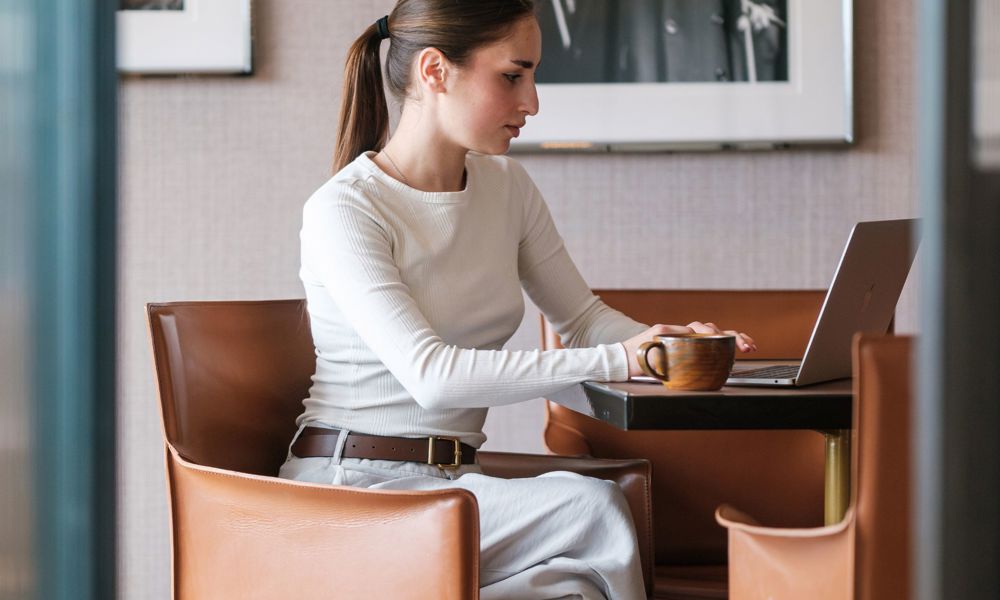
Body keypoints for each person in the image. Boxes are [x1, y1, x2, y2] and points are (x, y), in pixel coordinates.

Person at [278, 1, 756, 598]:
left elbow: (582, 320)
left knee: (575, 586)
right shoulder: (345, 209)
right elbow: (434, 378)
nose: (532, 101)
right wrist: (624, 360)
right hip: (354, 493)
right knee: (594, 509)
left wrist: (667, 344)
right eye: (512, 75)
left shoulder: (507, 189)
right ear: (434, 71)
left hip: (455, 487)